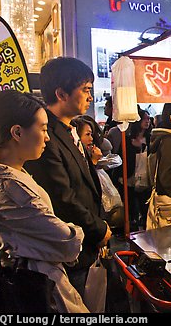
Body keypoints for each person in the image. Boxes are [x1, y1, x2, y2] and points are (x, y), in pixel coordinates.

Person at [0, 89, 88, 313]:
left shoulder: (1, 176)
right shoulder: (9, 188)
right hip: (33, 291)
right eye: (43, 129)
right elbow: (66, 242)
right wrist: (77, 232)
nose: (47, 137)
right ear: (17, 132)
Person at [24, 57, 111, 298]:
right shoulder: (46, 136)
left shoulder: (70, 129)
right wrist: (98, 229)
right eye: (85, 90)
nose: (90, 97)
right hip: (72, 246)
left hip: (86, 242)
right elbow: (63, 198)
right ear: (61, 94)